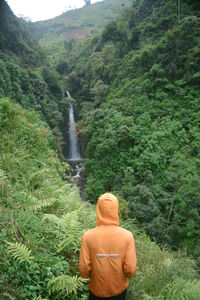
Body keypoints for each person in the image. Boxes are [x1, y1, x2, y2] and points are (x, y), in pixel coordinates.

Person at [79, 193, 137, 300]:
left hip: (96, 291)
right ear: (116, 209)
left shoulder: (87, 236)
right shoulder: (127, 236)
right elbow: (130, 270)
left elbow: (84, 271)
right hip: (119, 291)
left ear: (98, 210)